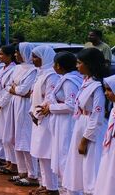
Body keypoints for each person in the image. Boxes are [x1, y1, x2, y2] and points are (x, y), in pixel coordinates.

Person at [62, 48, 107, 194]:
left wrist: (85, 139)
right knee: (78, 165)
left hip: (91, 128)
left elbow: (97, 116)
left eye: (79, 63)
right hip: (81, 123)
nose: (77, 66)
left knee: (91, 166)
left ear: (89, 64)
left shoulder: (98, 86)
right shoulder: (87, 81)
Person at [38, 52, 82, 191]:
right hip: (61, 122)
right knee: (61, 157)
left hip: (67, 123)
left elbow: (71, 105)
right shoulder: (66, 78)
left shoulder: (70, 81)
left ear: (59, 66)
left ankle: (69, 191)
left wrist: (51, 108)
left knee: (65, 158)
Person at [2, 43, 39, 186]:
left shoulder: (33, 71)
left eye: (18, 52)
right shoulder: (17, 68)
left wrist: (15, 89)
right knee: (15, 138)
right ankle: (22, 171)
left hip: (24, 106)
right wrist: (16, 90)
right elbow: (8, 86)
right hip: (15, 104)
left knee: (25, 139)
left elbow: (24, 90)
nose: (16, 55)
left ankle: (32, 174)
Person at [27, 45, 59, 191]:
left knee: (47, 152)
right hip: (37, 118)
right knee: (40, 152)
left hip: (46, 118)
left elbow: (49, 98)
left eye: (35, 57)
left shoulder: (52, 75)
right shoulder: (40, 73)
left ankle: (52, 187)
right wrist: (31, 111)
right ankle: (44, 184)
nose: (32, 60)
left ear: (44, 57)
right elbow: (34, 95)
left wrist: (37, 114)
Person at [0, 45, 19, 175]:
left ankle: (13, 164)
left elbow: (9, 91)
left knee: (8, 136)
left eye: (1, 54)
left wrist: (0, 104)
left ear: (10, 55)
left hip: (7, 105)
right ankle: (8, 161)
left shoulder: (14, 70)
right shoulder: (2, 68)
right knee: (1, 134)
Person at [93, 74, 115, 195]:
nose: (106, 93)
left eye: (109, 90)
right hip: (110, 148)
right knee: (107, 174)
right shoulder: (113, 108)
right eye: (105, 89)